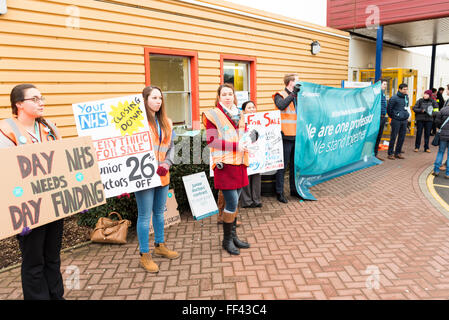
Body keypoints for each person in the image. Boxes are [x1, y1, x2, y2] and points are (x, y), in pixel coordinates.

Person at [0, 84, 63, 300]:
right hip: (28, 208)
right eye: (35, 99)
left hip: (53, 204)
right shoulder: (6, 131)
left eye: (41, 98)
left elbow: (64, 163)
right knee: (34, 262)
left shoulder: (50, 128)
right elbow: (7, 174)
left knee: (53, 257)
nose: (41, 102)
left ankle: (56, 296)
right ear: (19, 104)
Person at [135, 85, 179, 273]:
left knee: (160, 212)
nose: (158, 101)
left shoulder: (167, 122)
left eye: (160, 98)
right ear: (145, 101)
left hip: (163, 173)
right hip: (144, 176)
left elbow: (171, 147)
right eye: (154, 98)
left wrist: (167, 164)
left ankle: (160, 245)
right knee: (145, 216)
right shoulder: (138, 124)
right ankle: (145, 255)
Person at [202, 83, 250, 255]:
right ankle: (226, 240)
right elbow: (211, 141)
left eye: (230, 94)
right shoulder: (212, 115)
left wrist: (249, 141)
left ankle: (234, 237)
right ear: (219, 97)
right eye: (224, 94)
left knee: (235, 202)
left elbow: (243, 136)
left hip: (240, 162)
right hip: (225, 164)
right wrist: (236, 146)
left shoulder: (240, 113)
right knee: (231, 202)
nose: (228, 97)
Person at [273, 73, 301, 203]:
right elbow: (281, 106)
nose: (299, 82)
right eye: (297, 80)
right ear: (290, 82)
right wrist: (292, 94)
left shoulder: (298, 96)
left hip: (297, 136)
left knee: (294, 166)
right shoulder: (280, 95)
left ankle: (294, 190)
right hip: (285, 136)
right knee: (282, 166)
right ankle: (279, 192)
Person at [240, 100, 262, 208]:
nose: (252, 109)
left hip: (256, 152)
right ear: (243, 110)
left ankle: (257, 199)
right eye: (249, 108)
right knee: (246, 175)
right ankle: (247, 201)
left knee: (256, 176)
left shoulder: (260, 121)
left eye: (253, 107)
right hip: (245, 152)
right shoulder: (240, 122)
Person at [387, 83, 410, 160]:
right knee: (393, 137)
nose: (406, 90)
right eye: (404, 89)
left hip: (404, 120)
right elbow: (389, 109)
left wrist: (406, 115)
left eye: (406, 89)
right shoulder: (394, 98)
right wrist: (394, 116)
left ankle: (398, 152)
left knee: (402, 137)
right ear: (400, 89)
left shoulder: (406, 97)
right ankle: (390, 153)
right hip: (396, 120)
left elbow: (407, 107)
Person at [432, 102, 449, 177]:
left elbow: (437, 121)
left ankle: (436, 170)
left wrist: (440, 127)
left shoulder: (443, 110)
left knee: (440, 152)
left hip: (443, 135)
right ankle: (448, 173)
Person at [374, 79, 388, 160]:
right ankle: (373, 154)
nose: (385, 86)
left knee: (379, 136)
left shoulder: (382, 94)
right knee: (375, 136)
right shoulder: (377, 94)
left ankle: (375, 154)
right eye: (384, 84)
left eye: (386, 84)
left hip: (383, 117)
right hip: (378, 118)